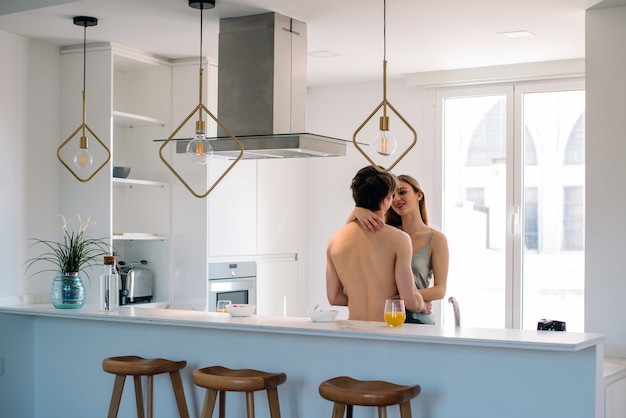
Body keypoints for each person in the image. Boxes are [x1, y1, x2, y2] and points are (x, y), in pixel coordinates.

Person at [326, 166, 425, 321]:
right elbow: (410, 301)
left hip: (352, 332)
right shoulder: (399, 239)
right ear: (385, 201)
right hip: (386, 333)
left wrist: (359, 300)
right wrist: (423, 304)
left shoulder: (335, 240)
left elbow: (334, 297)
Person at [352, 174, 449, 324]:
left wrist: (408, 296)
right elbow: (351, 235)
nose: (397, 199)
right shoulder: (387, 234)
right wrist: (357, 211)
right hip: (387, 318)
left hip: (418, 319)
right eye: (393, 195)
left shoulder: (436, 239)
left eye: (402, 192)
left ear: (419, 195)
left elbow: (440, 290)